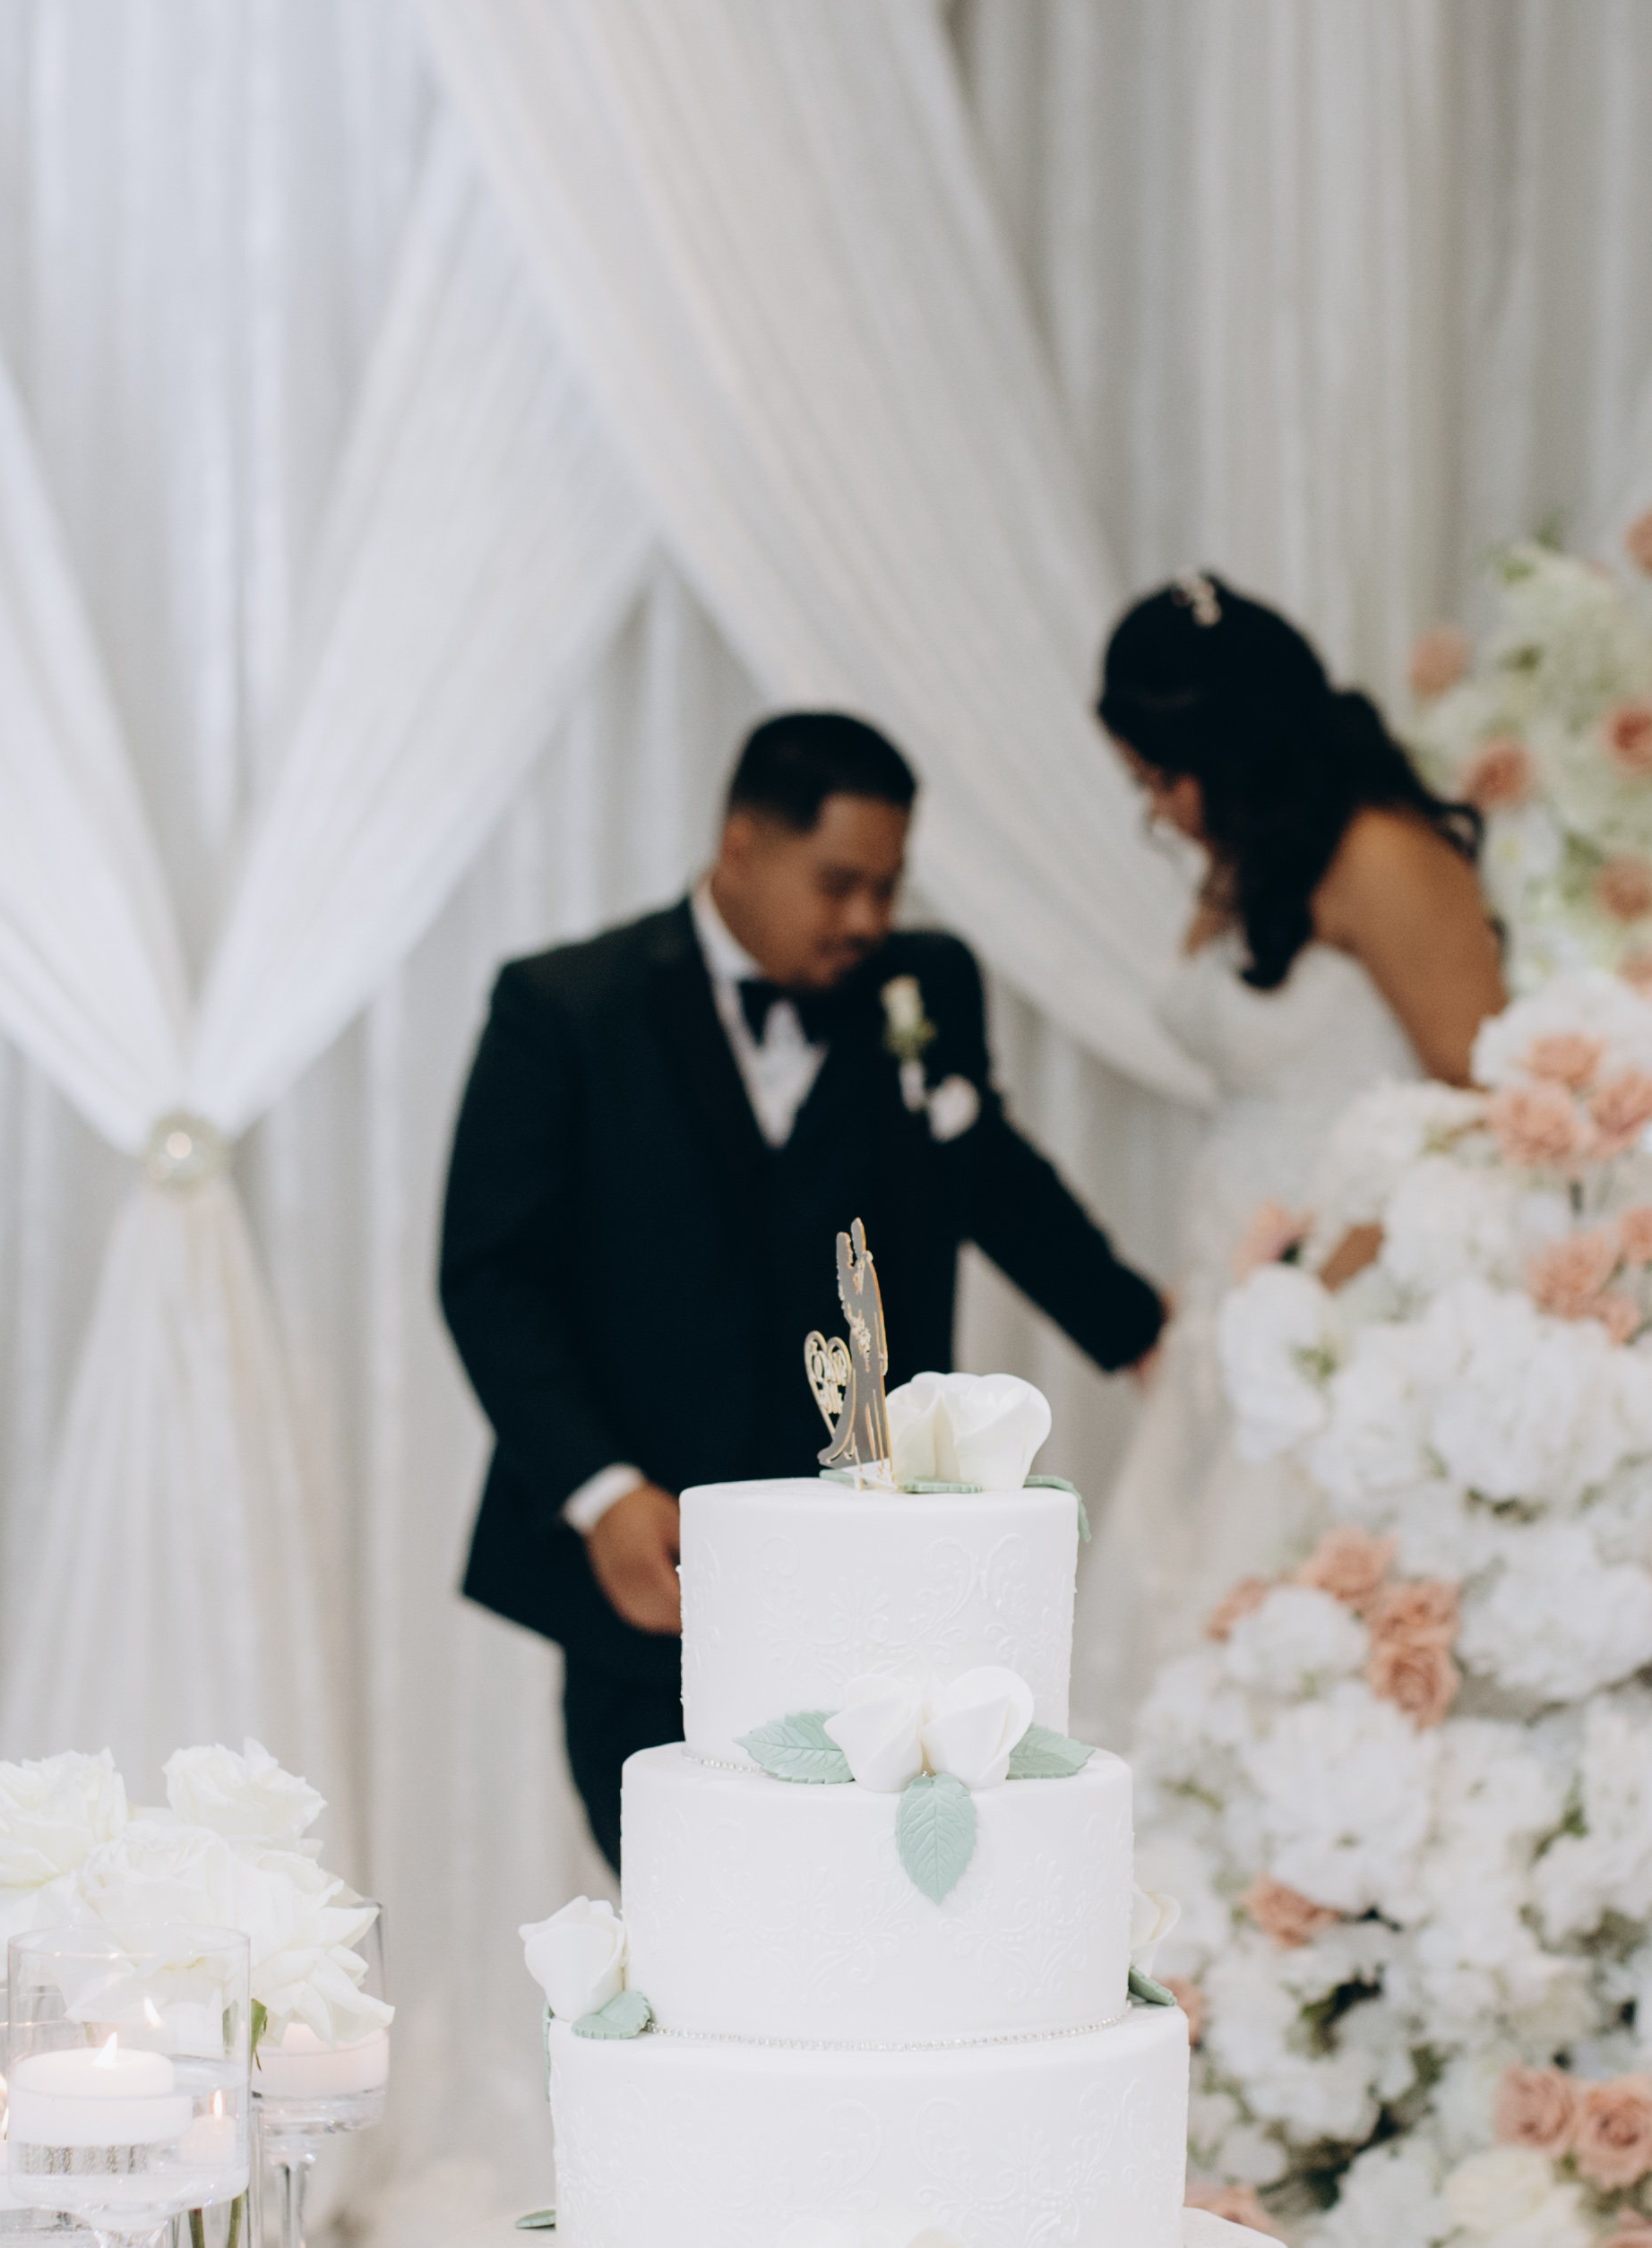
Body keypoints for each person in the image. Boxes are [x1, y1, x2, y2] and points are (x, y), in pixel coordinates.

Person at [441, 708, 1168, 1860]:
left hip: (879, 1557)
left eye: (889, 886)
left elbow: (993, 1179)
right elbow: (491, 1275)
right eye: (838, 884)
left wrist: (1145, 1337)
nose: (869, 920)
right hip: (658, 1566)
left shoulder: (924, 987)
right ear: (740, 844)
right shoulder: (565, 1008)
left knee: (882, 1879)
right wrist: (599, 1490)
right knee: (685, 1881)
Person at [1075, 573, 1506, 1735]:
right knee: (1186, 1597)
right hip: (1239, 1289)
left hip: (1354, 1293)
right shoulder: (1257, 861)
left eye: (1163, 776)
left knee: (1285, 1612)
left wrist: (1328, 1280)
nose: (1162, 809)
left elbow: (1487, 1100)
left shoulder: (1383, 857)